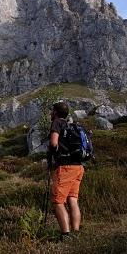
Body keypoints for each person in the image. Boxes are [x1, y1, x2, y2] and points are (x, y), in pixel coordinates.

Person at [47, 102, 84, 241]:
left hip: (66, 168)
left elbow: (54, 143)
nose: (51, 113)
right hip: (78, 167)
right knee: (72, 200)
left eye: (52, 110)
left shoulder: (57, 123)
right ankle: (76, 232)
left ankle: (66, 235)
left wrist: (51, 155)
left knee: (58, 201)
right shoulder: (71, 125)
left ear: (55, 112)